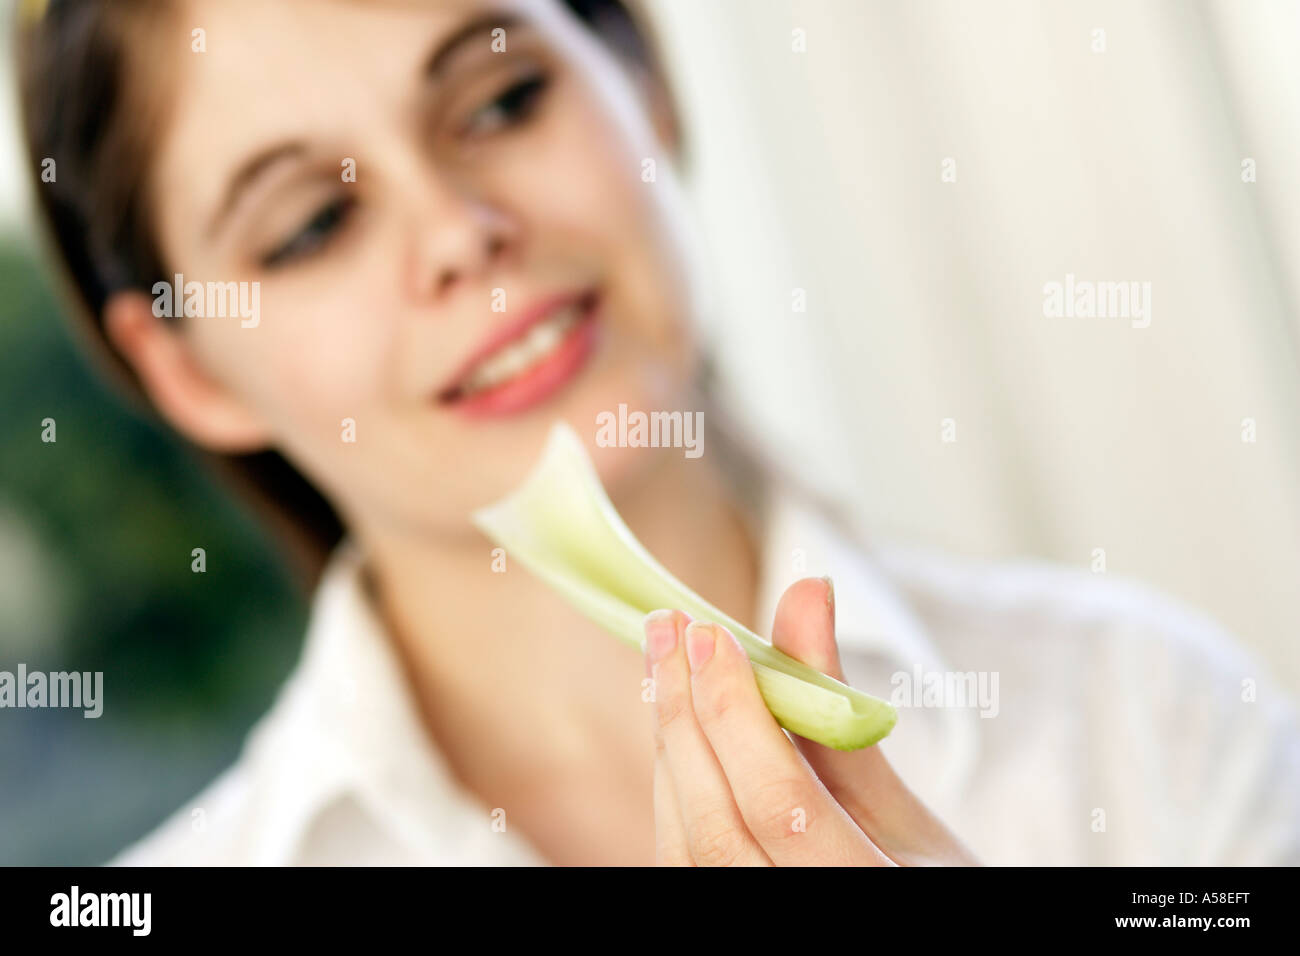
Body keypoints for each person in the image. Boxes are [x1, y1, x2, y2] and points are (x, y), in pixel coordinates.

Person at [16, 0, 1299, 866]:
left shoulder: (1152, 721)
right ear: (185, 369)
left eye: (500, 101)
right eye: (309, 226)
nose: (461, 230)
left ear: (646, 85)